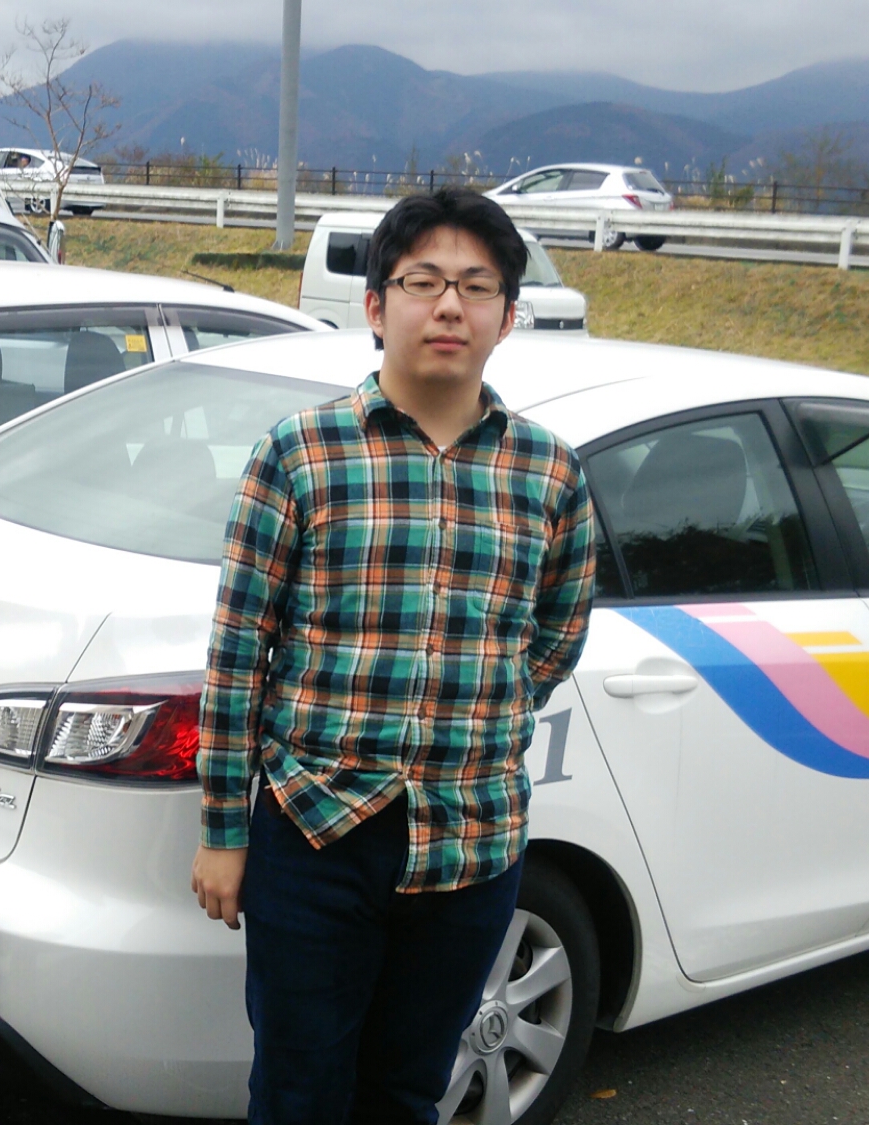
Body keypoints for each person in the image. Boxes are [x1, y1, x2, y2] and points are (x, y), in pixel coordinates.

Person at [191, 188, 597, 1124]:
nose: (450, 306)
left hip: (472, 838)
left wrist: (473, 712)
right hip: (316, 831)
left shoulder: (548, 472)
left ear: (507, 315)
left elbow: (556, 636)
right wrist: (222, 831)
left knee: (410, 1092)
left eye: (476, 286)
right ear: (377, 306)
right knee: (296, 1093)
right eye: (424, 282)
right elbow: (239, 653)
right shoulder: (301, 453)